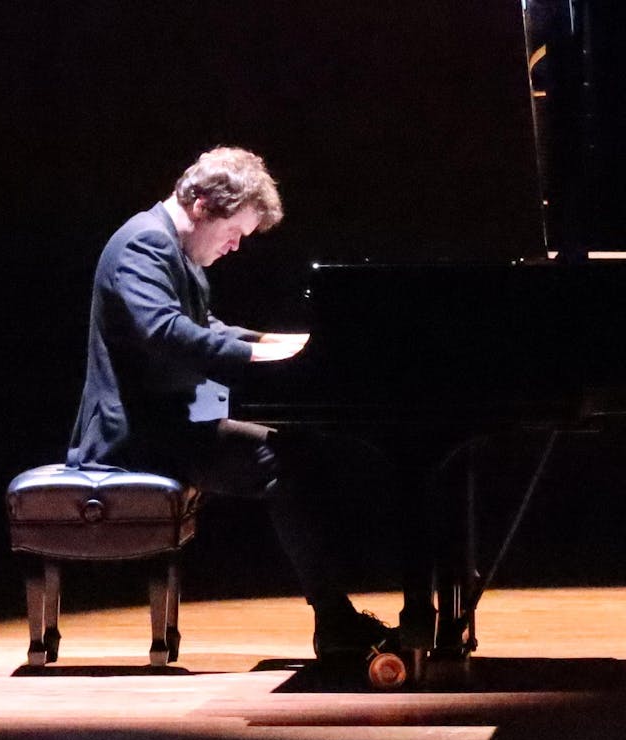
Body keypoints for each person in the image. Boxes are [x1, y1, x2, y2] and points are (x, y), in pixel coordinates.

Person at [66, 146, 397, 657]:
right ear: (201, 205)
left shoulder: (172, 247)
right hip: (135, 436)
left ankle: (337, 618)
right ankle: (334, 623)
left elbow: (203, 326)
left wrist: (270, 342)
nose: (236, 247)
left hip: (172, 424)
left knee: (303, 453)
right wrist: (254, 357)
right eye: (234, 233)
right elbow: (166, 332)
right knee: (288, 460)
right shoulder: (142, 245)